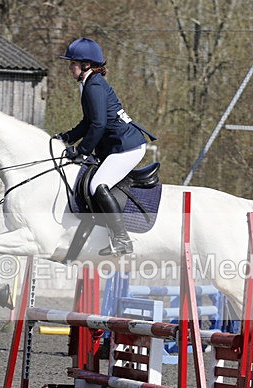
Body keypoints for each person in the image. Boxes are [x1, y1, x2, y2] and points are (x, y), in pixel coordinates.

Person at [56, 38, 156, 256]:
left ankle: (122, 240)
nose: (69, 67)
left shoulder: (94, 86)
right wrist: (66, 137)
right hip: (119, 145)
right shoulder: (90, 83)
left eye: (73, 63)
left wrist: (81, 151)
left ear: (86, 65)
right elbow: (88, 122)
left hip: (127, 147)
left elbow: (99, 124)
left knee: (98, 185)